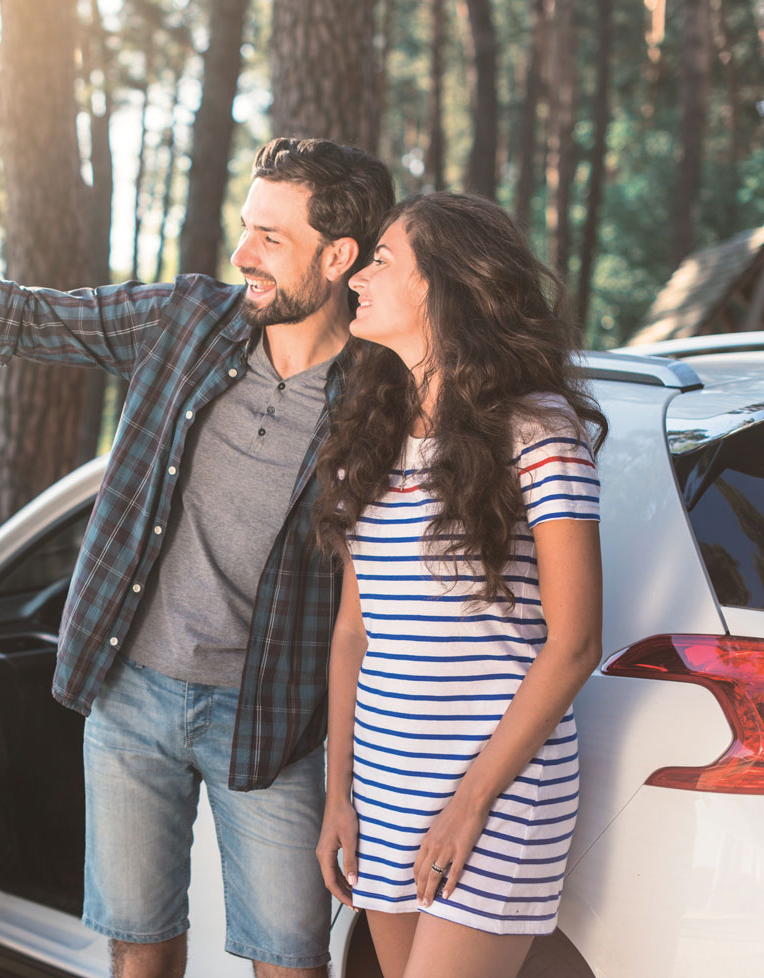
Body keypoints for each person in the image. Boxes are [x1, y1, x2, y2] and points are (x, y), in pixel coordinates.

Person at [0, 136, 395, 978]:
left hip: (274, 720)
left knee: (291, 961)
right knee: (138, 949)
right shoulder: (186, 322)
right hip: (131, 698)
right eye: (245, 227)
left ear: (338, 257)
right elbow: (9, 313)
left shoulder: (384, 394)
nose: (242, 254)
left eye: (270, 238)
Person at [312, 192, 607, 978]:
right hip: (382, 784)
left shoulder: (537, 431)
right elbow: (354, 634)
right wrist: (339, 795)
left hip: (497, 791)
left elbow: (576, 644)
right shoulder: (369, 439)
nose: (357, 276)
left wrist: (470, 804)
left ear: (441, 284)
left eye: (382, 260)